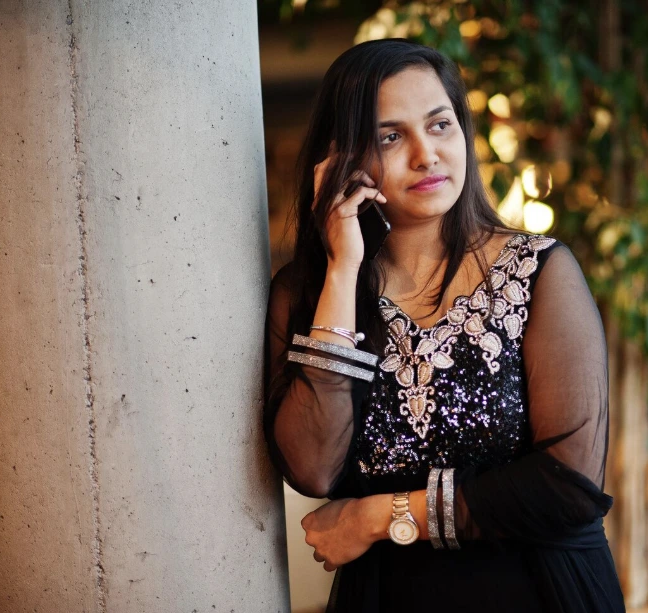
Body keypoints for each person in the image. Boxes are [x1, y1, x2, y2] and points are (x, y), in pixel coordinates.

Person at [264, 38, 626, 613]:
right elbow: (313, 469)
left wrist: (379, 516)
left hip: (542, 591)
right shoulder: (310, 291)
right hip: (388, 600)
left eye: (439, 125)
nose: (426, 154)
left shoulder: (540, 271)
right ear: (343, 159)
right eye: (390, 136)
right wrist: (343, 269)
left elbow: (568, 487)